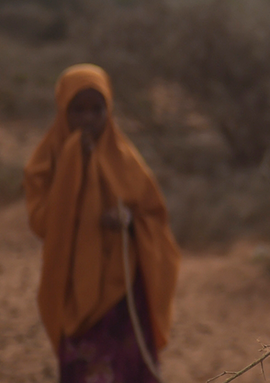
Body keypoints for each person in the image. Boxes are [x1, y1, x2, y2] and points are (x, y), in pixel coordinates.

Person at [25, 64, 182, 382]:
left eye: (96, 110)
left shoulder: (125, 157)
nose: (88, 120)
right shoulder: (47, 161)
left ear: (108, 110)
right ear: (62, 112)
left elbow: (153, 214)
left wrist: (130, 222)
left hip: (123, 289)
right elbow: (42, 223)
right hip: (75, 287)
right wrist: (72, 167)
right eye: (77, 111)